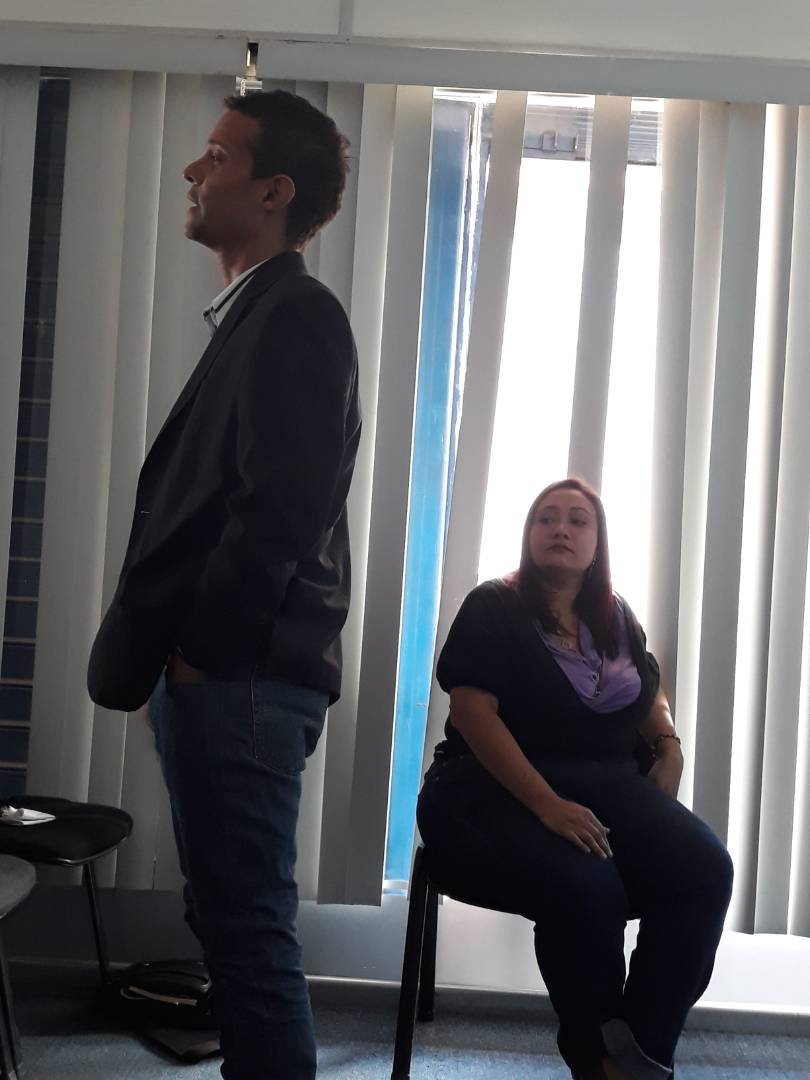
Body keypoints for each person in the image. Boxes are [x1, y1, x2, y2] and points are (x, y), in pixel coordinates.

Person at [88, 90, 360, 1080]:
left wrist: (203, 656)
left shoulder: (297, 316)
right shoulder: (258, 313)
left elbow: (278, 512)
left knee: (247, 937)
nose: (191, 172)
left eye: (215, 156)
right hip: (224, 676)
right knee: (231, 925)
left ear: (273, 191)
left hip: (238, 679)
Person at [417, 477, 733, 1080]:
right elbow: (472, 714)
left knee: (705, 869)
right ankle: (595, 1058)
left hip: (605, 785)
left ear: (597, 544)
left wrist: (669, 746)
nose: (560, 528)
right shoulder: (494, 604)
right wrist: (548, 805)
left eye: (577, 520)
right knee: (587, 883)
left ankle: (635, 1058)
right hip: (486, 792)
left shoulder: (616, 616)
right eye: (546, 518)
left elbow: (649, 690)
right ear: (529, 534)